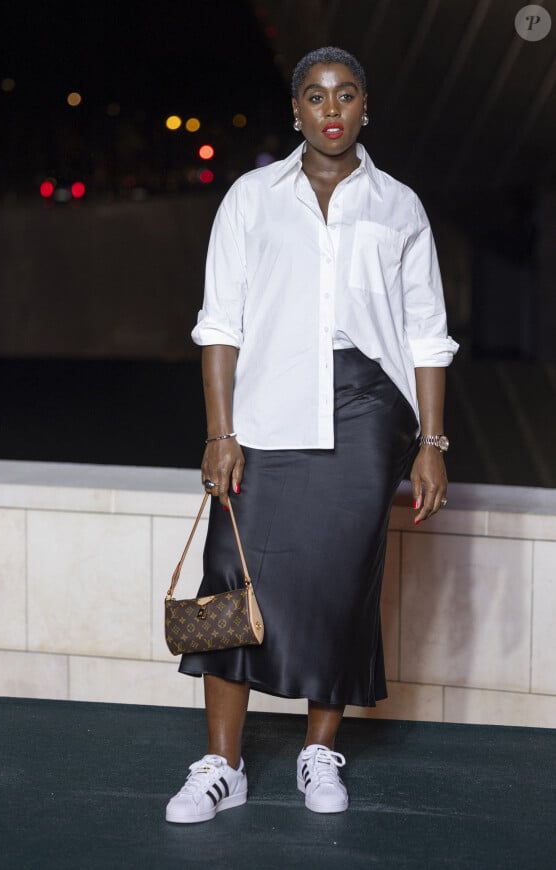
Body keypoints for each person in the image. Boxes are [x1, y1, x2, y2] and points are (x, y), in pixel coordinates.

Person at [166, 46, 458, 824]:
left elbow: (427, 333)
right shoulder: (252, 198)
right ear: (296, 111)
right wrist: (220, 432)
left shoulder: (399, 206)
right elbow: (219, 323)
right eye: (317, 97)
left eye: (347, 95)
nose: (332, 110)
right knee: (231, 572)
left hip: (367, 407)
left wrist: (432, 443)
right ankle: (221, 765)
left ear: (366, 108)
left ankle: (318, 752)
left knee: (341, 579)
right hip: (266, 407)